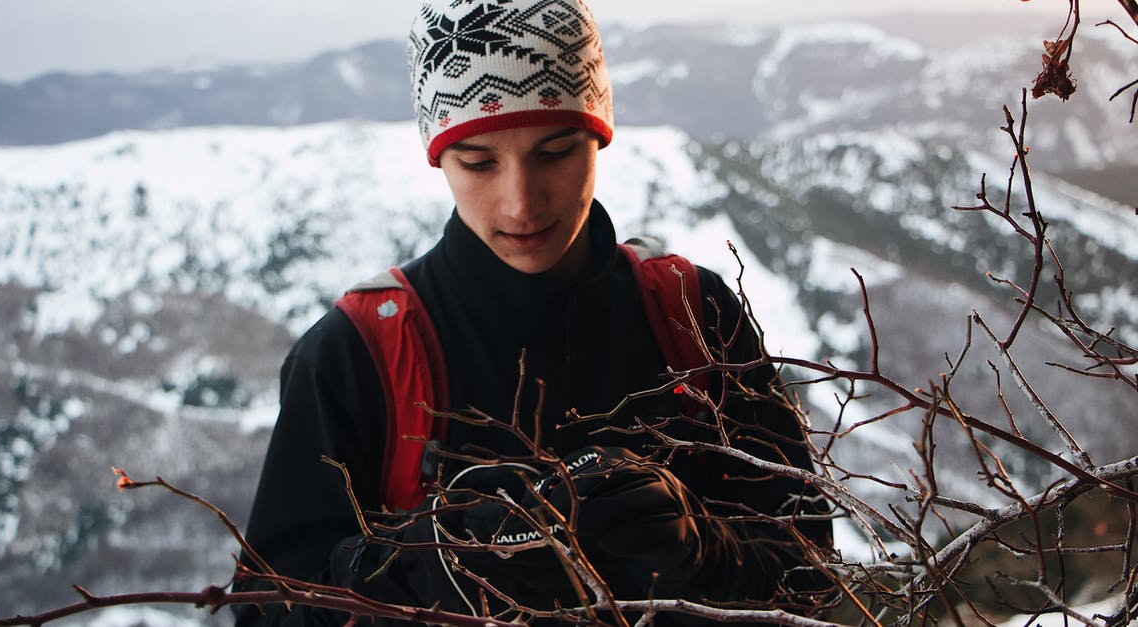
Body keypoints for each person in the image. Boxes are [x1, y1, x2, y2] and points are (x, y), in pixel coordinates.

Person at [235, 0, 831, 624]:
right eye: (479, 162)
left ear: (598, 135)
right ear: (439, 159)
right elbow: (267, 610)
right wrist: (442, 561)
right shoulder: (358, 354)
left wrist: (710, 555)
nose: (521, 204)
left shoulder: (693, 314)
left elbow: (814, 573)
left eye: (554, 152)